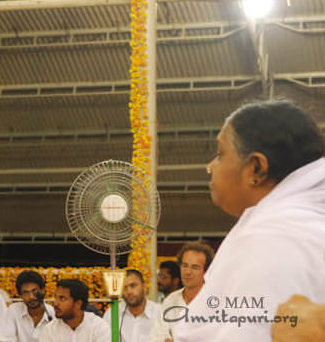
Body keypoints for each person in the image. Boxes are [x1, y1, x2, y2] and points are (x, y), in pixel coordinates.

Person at [174, 100, 325, 341]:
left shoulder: (274, 237)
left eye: (220, 154)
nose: (210, 167)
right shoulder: (303, 223)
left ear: (256, 168)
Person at [148, 242, 214, 342]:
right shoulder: (171, 300)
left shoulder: (216, 301)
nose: (188, 272)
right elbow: (156, 337)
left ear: (206, 271)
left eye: (195, 267)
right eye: (184, 265)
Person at [39, 279, 110, 342]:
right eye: (55, 297)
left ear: (78, 304)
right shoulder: (50, 330)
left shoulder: (98, 327)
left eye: (62, 298)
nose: (55, 304)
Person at [103, 269, 160, 342]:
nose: (129, 291)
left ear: (144, 286)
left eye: (133, 285)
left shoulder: (159, 313)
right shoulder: (112, 314)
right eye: (124, 287)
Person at [5, 270, 54, 342]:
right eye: (26, 293)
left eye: (34, 291)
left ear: (43, 290)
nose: (31, 297)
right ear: (20, 295)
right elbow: (6, 339)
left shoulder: (53, 314)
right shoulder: (14, 310)